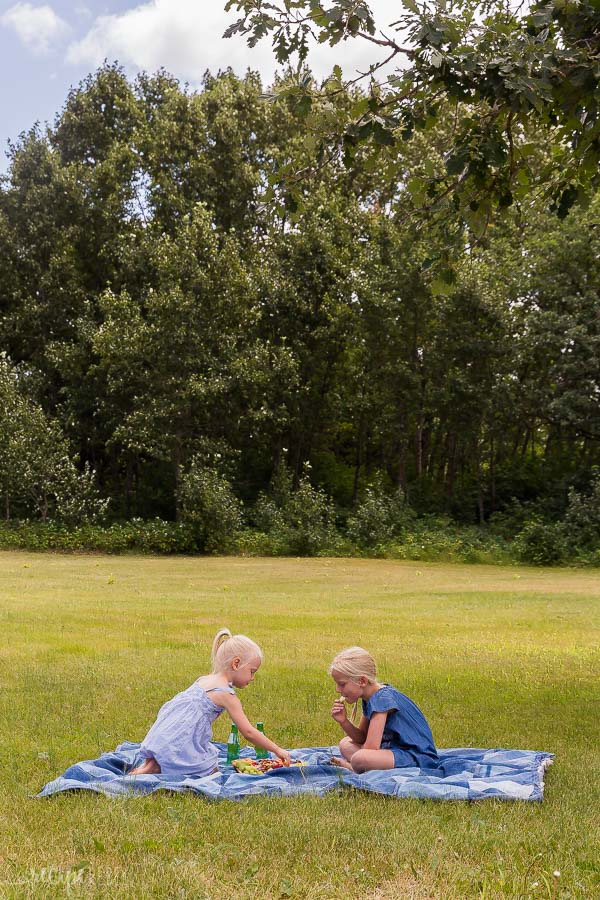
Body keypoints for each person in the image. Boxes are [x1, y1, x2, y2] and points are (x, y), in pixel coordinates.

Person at [129, 628, 291, 777]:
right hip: (183, 739)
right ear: (236, 663)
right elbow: (248, 732)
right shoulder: (227, 695)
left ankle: (151, 765)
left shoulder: (205, 679)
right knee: (211, 770)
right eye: (252, 671)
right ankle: (156, 767)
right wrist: (276, 749)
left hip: (164, 731)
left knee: (169, 753)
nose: (253, 678)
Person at [329, 646, 438, 773]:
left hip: (417, 757)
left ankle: (354, 768)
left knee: (360, 757)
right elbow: (362, 738)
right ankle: (362, 766)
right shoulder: (368, 697)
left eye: (342, 684)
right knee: (345, 744)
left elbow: (370, 748)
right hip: (394, 750)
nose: (338, 689)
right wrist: (344, 722)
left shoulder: (382, 699)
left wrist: (360, 758)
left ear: (362, 681)